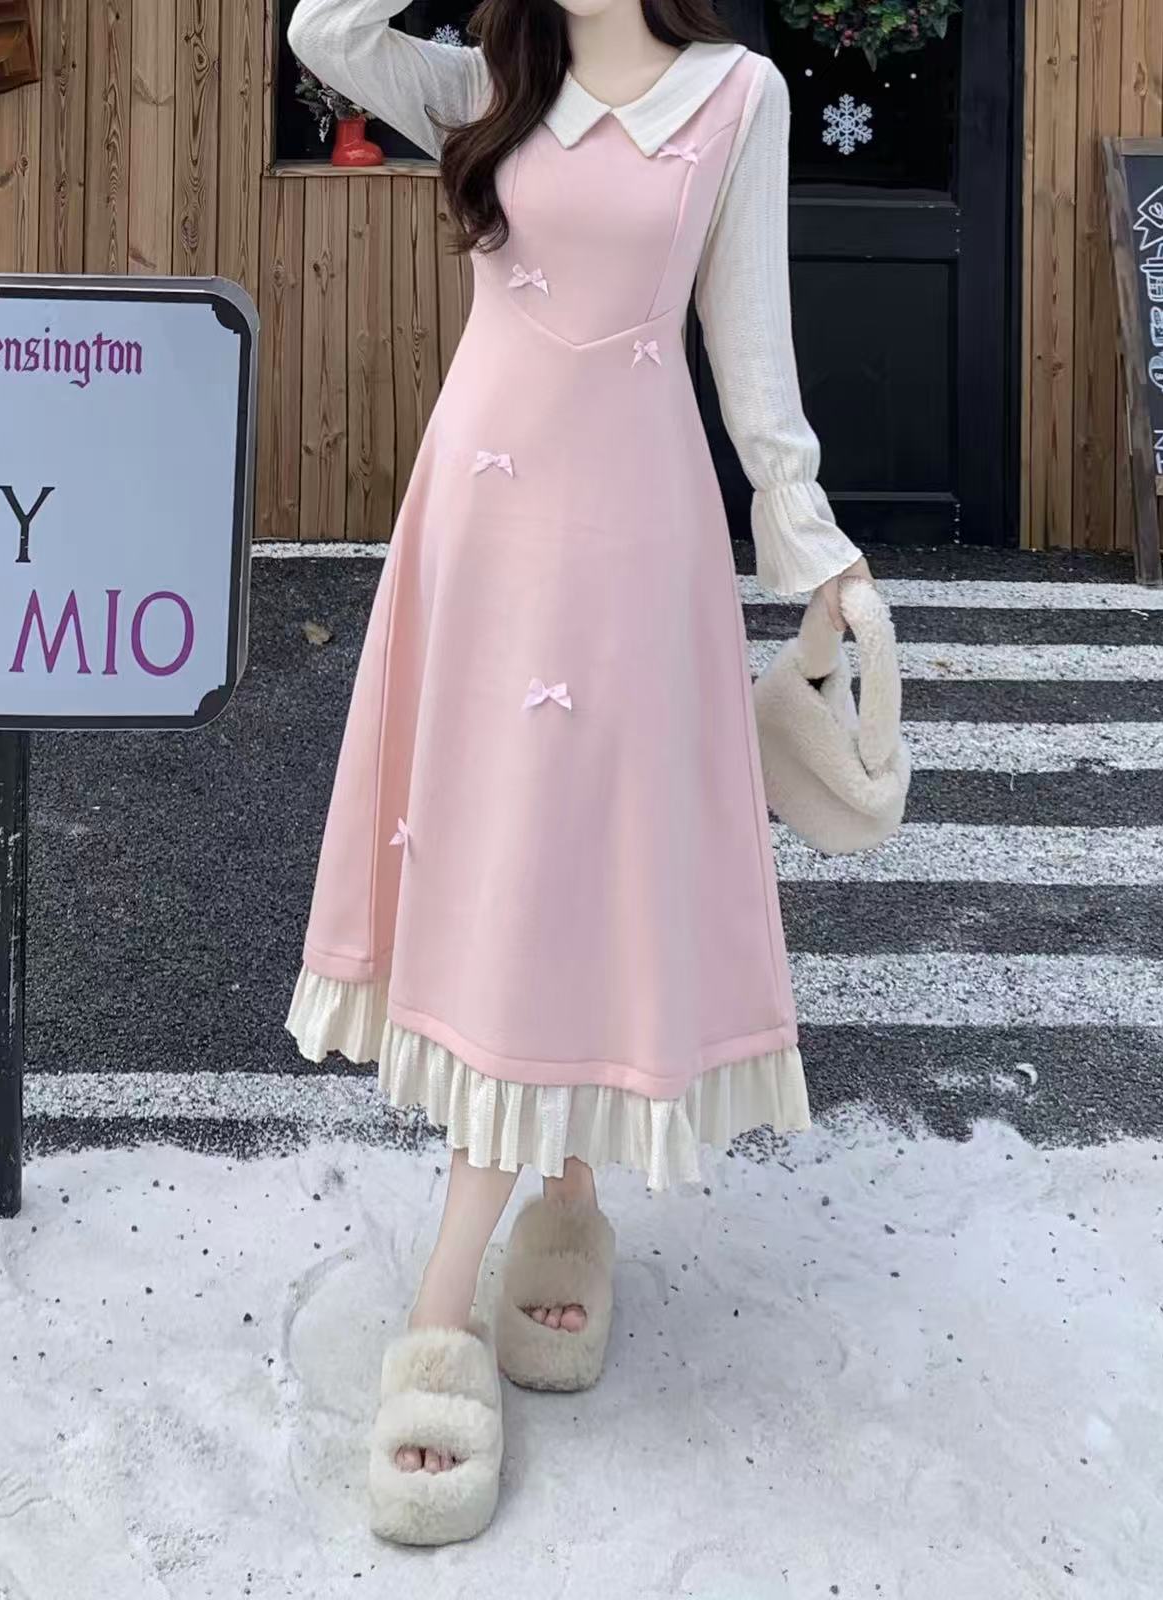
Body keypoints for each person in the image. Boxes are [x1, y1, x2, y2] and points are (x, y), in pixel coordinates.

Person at [286, 0, 875, 1544]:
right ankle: (555, 1208)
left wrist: (816, 548)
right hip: (480, 531)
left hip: (630, 543)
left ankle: (458, 1289)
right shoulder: (488, 82)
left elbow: (754, 365)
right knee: (505, 872)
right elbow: (323, 30)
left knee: (575, 866)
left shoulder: (738, 98)